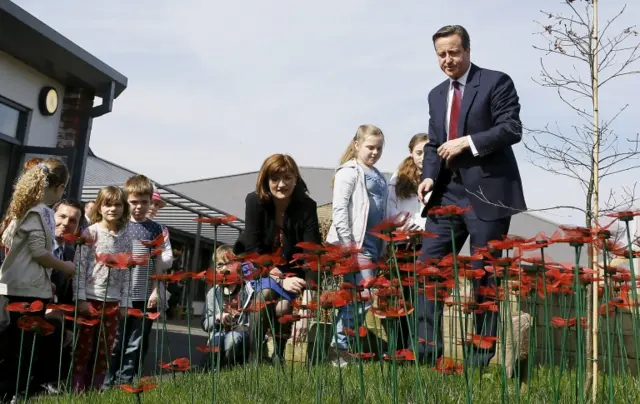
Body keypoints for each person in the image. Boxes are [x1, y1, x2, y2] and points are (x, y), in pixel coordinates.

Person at [416, 25, 526, 367]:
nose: (448, 60)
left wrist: (469, 142)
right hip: (447, 194)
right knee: (427, 271)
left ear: (467, 51)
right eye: (441, 54)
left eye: (454, 52)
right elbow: (434, 144)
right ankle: (426, 356)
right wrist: (428, 177)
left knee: (484, 275)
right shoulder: (436, 94)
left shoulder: (496, 82)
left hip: (487, 194)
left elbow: (512, 129)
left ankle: (480, 361)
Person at [233, 154, 321, 364]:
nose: (281, 184)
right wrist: (280, 280)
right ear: (265, 180)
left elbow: (312, 251)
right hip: (257, 265)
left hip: (291, 272)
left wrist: (310, 292)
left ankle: (278, 356)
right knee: (264, 295)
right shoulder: (254, 201)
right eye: (275, 179)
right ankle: (253, 361)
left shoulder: (307, 206)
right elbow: (253, 249)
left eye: (287, 178)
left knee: (282, 308)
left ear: (295, 179)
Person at [0, 158, 76, 402]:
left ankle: (9, 391)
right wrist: (65, 266)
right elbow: (39, 253)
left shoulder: (21, 210)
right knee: (24, 350)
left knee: (11, 346)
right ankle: (13, 393)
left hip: (14, 286)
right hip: (28, 292)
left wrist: (46, 279)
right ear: (59, 187)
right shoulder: (42, 212)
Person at [326, 124, 387, 368]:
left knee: (359, 298)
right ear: (357, 145)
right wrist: (348, 245)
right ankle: (339, 348)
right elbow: (339, 209)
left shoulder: (379, 175)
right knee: (361, 297)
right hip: (357, 245)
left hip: (373, 245)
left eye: (379, 148)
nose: (374, 152)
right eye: (370, 147)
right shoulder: (349, 172)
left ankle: (343, 348)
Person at [103, 175, 172, 388]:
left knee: (136, 341)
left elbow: (162, 262)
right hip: (119, 293)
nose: (139, 207)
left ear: (151, 202)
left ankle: (125, 382)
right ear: (126, 201)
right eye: (134, 202)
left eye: (144, 202)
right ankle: (106, 382)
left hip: (144, 295)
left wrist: (156, 290)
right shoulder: (119, 225)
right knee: (115, 340)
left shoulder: (157, 229)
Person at [71, 186, 133, 391]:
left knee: (106, 348)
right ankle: (78, 389)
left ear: (124, 208)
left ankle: (97, 389)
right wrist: (80, 298)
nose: (112, 209)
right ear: (100, 206)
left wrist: (125, 303)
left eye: (118, 204)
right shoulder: (90, 232)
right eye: (107, 204)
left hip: (113, 302)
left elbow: (126, 271)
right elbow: (79, 267)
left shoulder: (126, 237)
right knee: (84, 345)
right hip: (90, 298)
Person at [36, 199, 84, 393]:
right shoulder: (37, 243)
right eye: (62, 216)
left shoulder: (73, 253)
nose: (66, 223)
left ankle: (48, 382)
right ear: (51, 216)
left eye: (73, 220)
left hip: (57, 312)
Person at [200, 245, 251, 369]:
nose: (224, 269)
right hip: (219, 331)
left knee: (231, 340)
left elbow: (255, 322)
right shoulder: (213, 293)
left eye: (228, 264)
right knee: (216, 341)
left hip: (240, 334)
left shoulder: (248, 290)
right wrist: (218, 318)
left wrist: (242, 327)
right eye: (219, 265)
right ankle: (212, 371)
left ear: (237, 265)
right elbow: (205, 323)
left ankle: (228, 370)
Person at [387, 133, 430, 234]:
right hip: (404, 234)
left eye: (427, 153)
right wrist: (409, 225)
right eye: (419, 153)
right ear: (411, 152)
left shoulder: (438, 175)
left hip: (430, 234)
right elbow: (390, 205)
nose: (423, 157)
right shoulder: (400, 176)